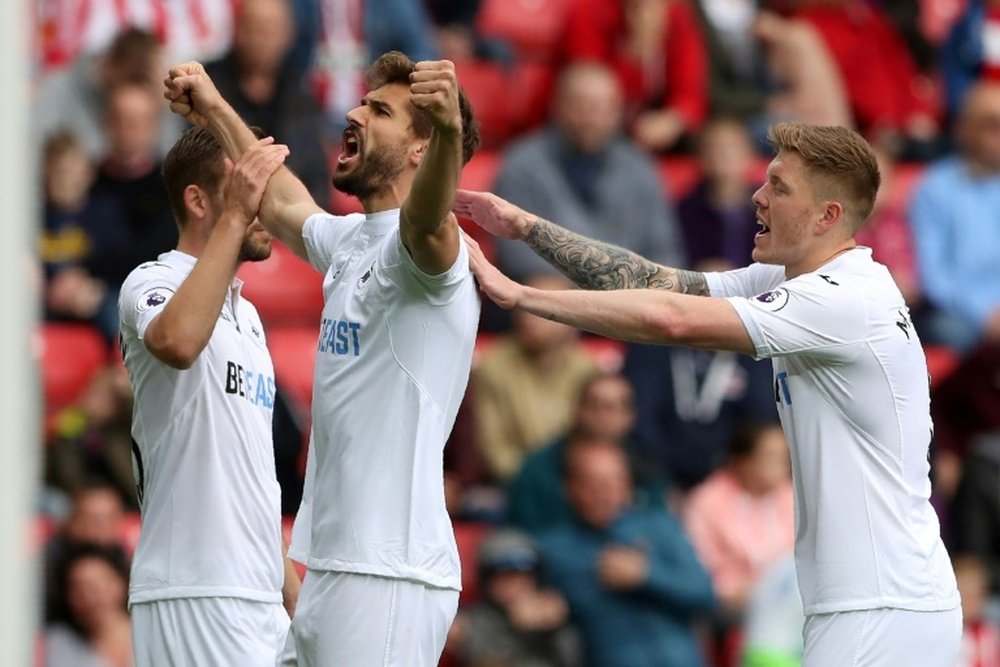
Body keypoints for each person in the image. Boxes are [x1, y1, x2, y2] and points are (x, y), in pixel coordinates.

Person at [454, 121, 962, 665]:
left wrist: (520, 294)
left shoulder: (845, 300)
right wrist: (525, 227)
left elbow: (672, 320)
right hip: (865, 603)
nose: (757, 196)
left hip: (885, 605)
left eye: (779, 187)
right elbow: (657, 283)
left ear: (827, 216)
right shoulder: (791, 280)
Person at [163, 50, 481, 665]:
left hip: (389, 574)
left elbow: (430, 216)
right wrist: (214, 107)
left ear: (421, 149)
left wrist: (446, 131)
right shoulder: (354, 241)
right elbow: (282, 204)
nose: (354, 113)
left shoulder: (427, 256)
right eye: (363, 101)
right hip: (339, 567)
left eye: (380, 110)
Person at [118, 127, 299, 665]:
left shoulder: (249, 316)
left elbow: (250, 480)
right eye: (245, 189)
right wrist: (237, 218)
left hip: (259, 596)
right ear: (197, 200)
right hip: (192, 591)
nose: (261, 206)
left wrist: (295, 598)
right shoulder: (151, 282)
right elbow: (176, 342)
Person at [536, 438, 715, 667]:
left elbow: (705, 595)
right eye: (592, 483)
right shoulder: (554, 550)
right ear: (569, 487)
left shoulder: (659, 526)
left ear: (628, 486)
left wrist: (647, 575)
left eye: (614, 482)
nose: (604, 494)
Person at [446, 528, 581, 667]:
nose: (514, 584)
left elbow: (571, 657)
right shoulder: (472, 622)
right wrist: (516, 628)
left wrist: (551, 631)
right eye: (503, 576)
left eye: (522, 574)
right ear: (487, 581)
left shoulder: (550, 615)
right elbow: (484, 658)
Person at [44, 543, 134, 667]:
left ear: (122, 583)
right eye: (80, 588)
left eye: (101, 584)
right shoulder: (55, 644)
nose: (93, 597)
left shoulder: (153, 632)